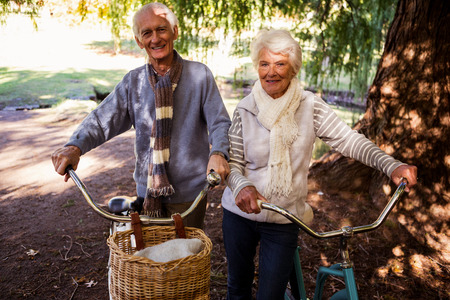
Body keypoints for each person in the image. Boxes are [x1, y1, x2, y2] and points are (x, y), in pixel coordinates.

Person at [221, 28, 417, 300]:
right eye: (264, 64)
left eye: (280, 64)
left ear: (294, 69)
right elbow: (233, 163)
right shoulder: (245, 107)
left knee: (270, 296)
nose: (271, 72)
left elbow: (350, 141)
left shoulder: (310, 106)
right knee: (237, 289)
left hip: (284, 215)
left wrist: (391, 165)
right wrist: (241, 186)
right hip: (238, 215)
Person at [52, 2, 231, 229]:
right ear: (139, 41)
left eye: (161, 29)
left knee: (185, 262)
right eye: (147, 33)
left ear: (175, 32)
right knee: (149, 261)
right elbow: (102, 119)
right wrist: (74, 147)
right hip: (147, 193)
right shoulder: (133, 82)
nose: (155, 39)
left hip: (190, 196)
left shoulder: (200, 75)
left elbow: (220, 122)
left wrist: (218, 152)